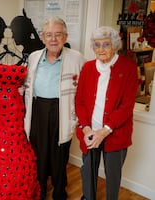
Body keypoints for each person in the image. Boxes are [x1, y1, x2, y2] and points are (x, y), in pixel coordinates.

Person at [24, 17, 86, 200]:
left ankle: (60, 191)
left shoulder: (77, 58)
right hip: (38, 109)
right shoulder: (34, 57)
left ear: (65, 36)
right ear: (42, 37)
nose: (53, 39)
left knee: (60, 153)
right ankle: (40, 190)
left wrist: (77, 117)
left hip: (63, 109)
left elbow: (84, 89)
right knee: (38, 153)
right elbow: (26, 85)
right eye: (48, 35)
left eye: (58, 35)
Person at [75, 26, 138, 200]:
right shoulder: (87, 67)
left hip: (115, 133)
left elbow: (126, 107)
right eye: (97, 45)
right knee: (87, 171)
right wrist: (87, 129)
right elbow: (79, 101)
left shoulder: (128, 67)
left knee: (113, 175)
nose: (101, 49)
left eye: (106, 44)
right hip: (90, 131)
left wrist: (104, 132)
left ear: (115, 45)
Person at [0, 27, 41, 199]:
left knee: (18, 147)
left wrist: (25, 89)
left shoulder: (25, 54)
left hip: (15, 109)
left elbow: (31, 80)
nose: (7, 34)